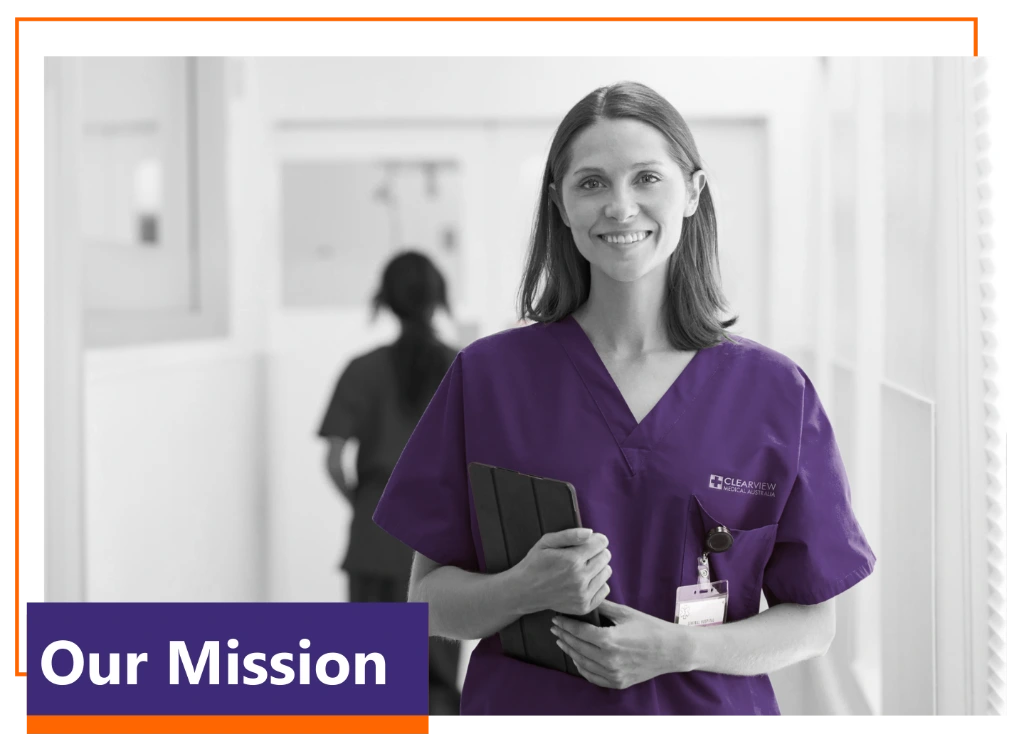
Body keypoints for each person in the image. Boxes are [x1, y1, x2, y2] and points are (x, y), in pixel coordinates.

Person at [371, 82, 877, 718]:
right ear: (559, 203)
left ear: (692, 191)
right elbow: (427, 603)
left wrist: (677, 650)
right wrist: (521, 588)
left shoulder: (773, 392)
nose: (620, 207)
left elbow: (812, 623)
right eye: (590, 183)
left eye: (646, 178)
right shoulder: (488, 377)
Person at [317, 250, 462, 719]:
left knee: (371, 681)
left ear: (384, 300)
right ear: (439, 298)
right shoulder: (463, 368)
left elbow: (336, 461)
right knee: (437, 682)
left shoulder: (362, 368)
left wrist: (366, 504)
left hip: (374, 536)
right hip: (440, 540)